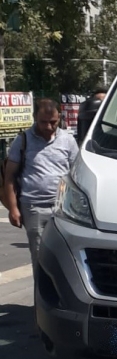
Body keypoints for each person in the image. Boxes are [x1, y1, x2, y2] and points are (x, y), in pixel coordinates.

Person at [1, 99, 79, 276]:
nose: (49, 127)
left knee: (67, 258)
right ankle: (41, 302)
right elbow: (10, 177)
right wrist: (13, 209)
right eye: (44, 122)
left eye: (53, 122)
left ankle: (62, 302)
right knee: (39, 258)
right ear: (34, 117)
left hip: (63, 209)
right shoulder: (23, 141)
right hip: (33, 207)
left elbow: (76, 175)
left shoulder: (68, 141)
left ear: (59, 117)